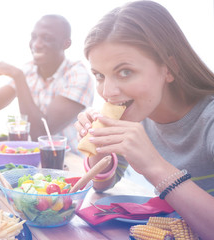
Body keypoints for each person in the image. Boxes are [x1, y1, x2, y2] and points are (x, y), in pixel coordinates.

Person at [74, 1, 214, 238]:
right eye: (99, 75)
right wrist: (98, 144)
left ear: (170, 68)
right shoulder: (139, 114)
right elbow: (102, 185)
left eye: (125, 72)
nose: (107, 91)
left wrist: (155, 167)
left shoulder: (209, 120)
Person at [0, 14, 93, 155]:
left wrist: (18, 77)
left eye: (47, 38)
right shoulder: (29, 70)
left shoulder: (78, 76)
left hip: (71, 162)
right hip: (37, 160)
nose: (36, 44)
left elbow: (39, 132)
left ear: (66, 44)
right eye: (34, 37)